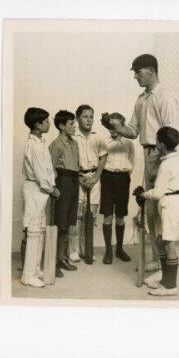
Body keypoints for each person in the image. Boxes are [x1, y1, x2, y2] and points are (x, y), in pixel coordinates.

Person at [101, 54, 178, 284]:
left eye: (138, 71)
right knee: (151, 212)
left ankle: (165, 269)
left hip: (161, 154)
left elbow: (171, 135)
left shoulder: (165, 96)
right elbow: (133, 131)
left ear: (151, 70)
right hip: (149, 153)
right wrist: (113, 125)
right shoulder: (141, 99)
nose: (135, 76)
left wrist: (162, 163)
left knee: (162, 210)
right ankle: (157, 260)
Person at [135, 126, 179, 296]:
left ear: (162, 144)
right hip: (175, 201)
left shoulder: (166, 165)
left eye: (157, 140)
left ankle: (171, 287)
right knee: (161, 241)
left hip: (170, 203)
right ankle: (165, 280)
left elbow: (157, 192)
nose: (155, 143)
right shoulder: (177, 159)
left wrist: (142, 194)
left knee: (169, 243)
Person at [21, 107, 60, 287]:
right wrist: (51, 189)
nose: (49, 124)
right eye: (46, 121)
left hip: (42, 190)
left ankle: (35, 270)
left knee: (40, 231)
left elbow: (48, 168)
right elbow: (39, 172)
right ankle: (27, 275)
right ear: (37, 125)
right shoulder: (33, 145)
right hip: (35, 189)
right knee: (34, 232)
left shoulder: (41, 142)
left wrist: (51, 185)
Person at [70, 104, 107, 263]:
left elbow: (103, 157)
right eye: (85, 116)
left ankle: (87, 248)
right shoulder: (72, 137)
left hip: (93, 180)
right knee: (76, 216)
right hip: (78, 178)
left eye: (91, 117)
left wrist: (95, 178)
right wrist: (80, 178)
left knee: (89, 217)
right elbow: (70, 161)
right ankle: (73, 250)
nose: (89, 120)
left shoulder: (98, 137)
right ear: (77, 119)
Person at [100, 113, 135, 264]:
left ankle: (119, 249)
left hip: (122, 180)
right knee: (107, 214)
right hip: (107, 179)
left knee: (120, 215)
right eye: (111, 125)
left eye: (117, 125)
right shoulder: (104, 142)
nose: (113, 128)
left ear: (122, 126)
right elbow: (100, 161)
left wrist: (123, 175)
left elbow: (131, 161)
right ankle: (108, 250)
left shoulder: (128, 143)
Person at [49, 110, 80, 277]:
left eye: (74, 123)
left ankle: (61, 257)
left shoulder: (74, 143)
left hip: (74, 182)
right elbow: (50, 167)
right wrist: (55, 187)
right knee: (58, 222)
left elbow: (77, 165)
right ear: (61, 126)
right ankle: (52, 261)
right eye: (71, 124)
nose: (74, 126)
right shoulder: (56, 144)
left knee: (67, 222)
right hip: (62, 183)